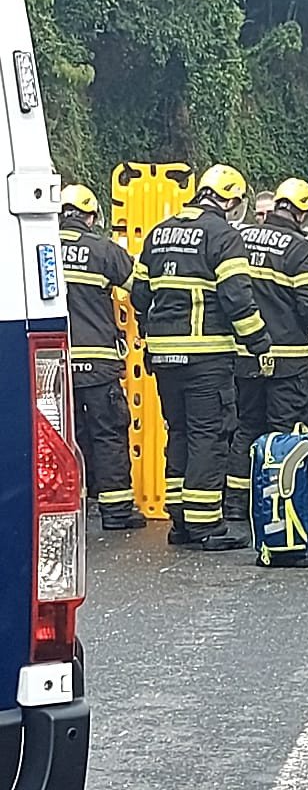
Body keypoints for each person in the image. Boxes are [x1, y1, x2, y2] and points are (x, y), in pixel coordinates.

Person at [131, 164, 271, 551]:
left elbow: (139, 295)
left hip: (163, 357)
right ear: (227, 199)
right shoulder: (223, 237)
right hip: (205, 356)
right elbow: (237, 298)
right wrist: (259, 341)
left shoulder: (159, 232)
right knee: (209, 436)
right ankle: (207, 525)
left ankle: (179, 520)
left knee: (179, 432)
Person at [226, 178, 308, 518]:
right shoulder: (300, 250)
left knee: (247, 429)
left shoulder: (240, 238)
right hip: (288, 362)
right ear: (303, 213)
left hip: (245, 356)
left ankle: (238, 503)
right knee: (282, 434)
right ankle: (275, 505)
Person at [59, 183, 146, 531]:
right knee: (107, 432)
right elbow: (141, 291)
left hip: (53, 363)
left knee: (63, 435)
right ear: (91, 216)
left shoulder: (37, 246)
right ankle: (116, 511)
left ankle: (70, 505)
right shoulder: (103, 250)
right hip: (97, 360)